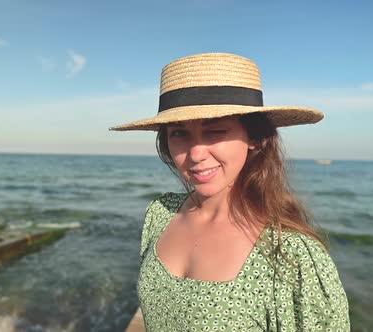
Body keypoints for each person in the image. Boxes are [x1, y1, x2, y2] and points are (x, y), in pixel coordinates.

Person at [110, 53, 350, 331]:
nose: (196, 153)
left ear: (255, 139)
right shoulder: (160, 214)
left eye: (216, 131)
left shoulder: (291, 256)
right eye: (179, 133)